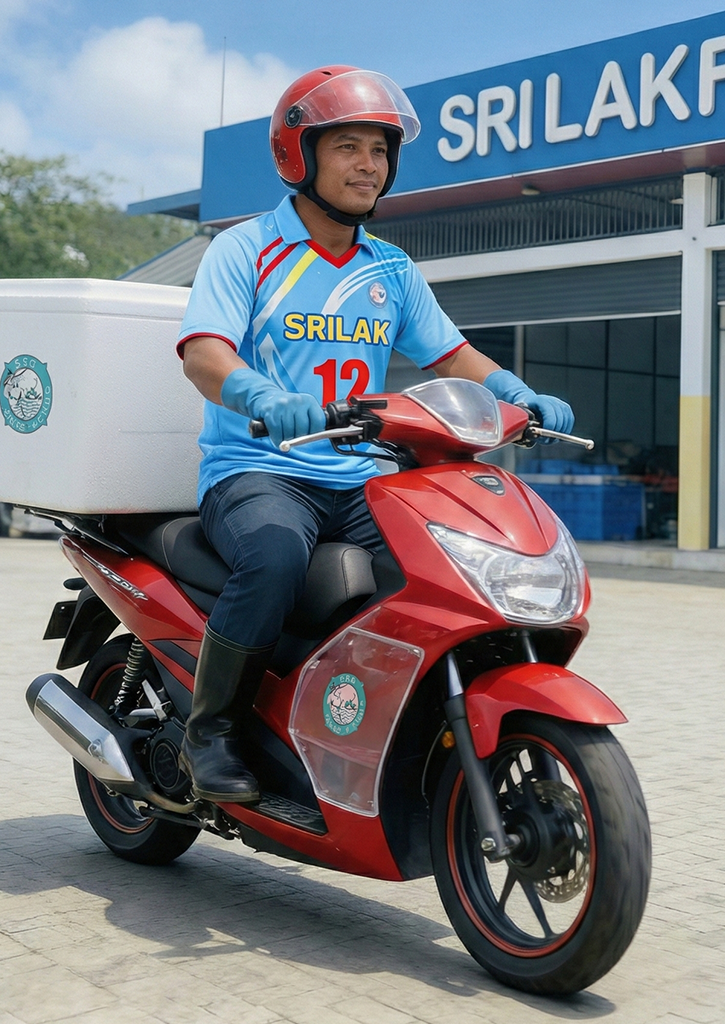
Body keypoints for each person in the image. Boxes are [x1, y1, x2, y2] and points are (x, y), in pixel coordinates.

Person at [176, 66, 574, 804]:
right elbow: (206, 354)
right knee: (271, 555)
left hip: (362, 472)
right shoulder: (247, 249)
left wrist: (514, 392)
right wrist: (263, 394)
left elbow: (450, 355)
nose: (368, 165)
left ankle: (385, 725)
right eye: (349, 147)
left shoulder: (388, 266)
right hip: (260, 467)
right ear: (300, 156)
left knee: (448, 564)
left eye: (380, 151)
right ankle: (214, 729)